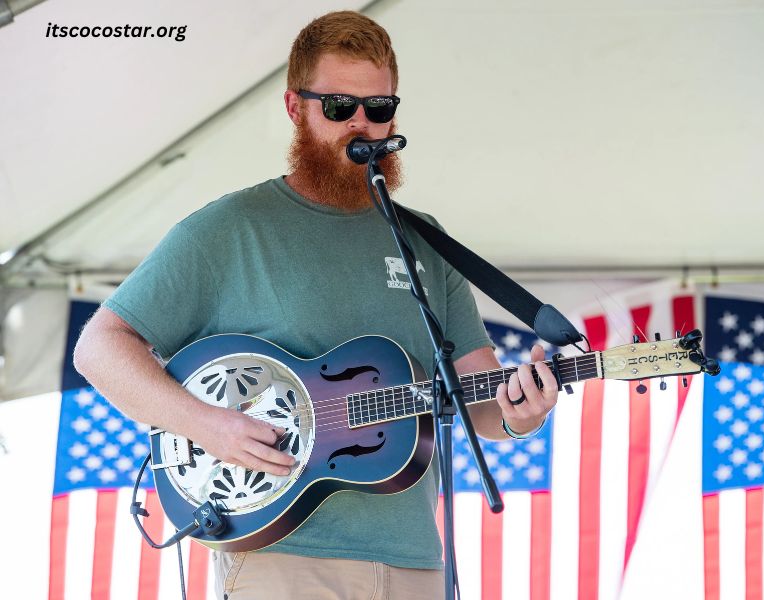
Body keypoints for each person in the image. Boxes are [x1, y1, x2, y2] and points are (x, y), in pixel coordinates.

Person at [73, 10, 558, 600]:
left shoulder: (424, 240)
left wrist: (520, 415)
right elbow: (99, 347)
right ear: (294, 107)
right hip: (282, 560)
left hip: (416, 561)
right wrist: (207, 424)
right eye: (339, 108)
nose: (362, 125)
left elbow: (476, 398)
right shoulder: (231, 229)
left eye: (378, 109)